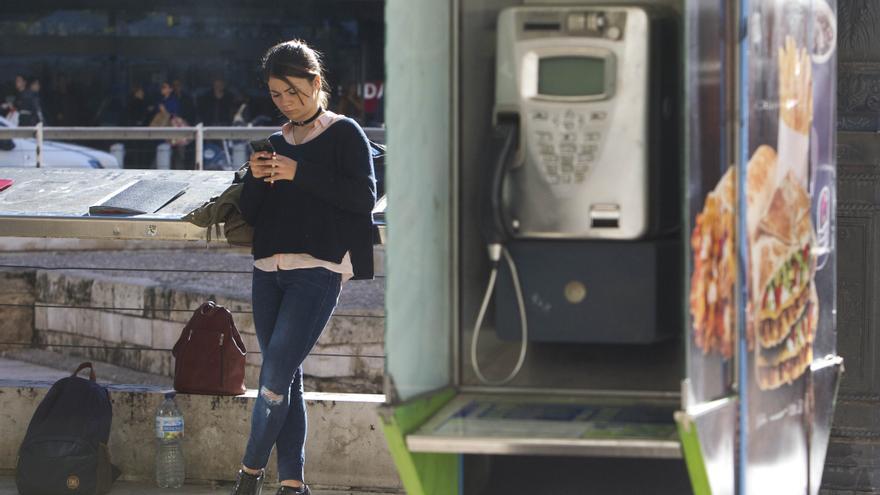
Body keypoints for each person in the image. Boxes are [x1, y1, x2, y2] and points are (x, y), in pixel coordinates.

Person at [233, 39, 376, 495]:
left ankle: (249, 475)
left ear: (316, 83)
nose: (286, 102)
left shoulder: (345, 133)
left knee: (273, 378)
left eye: (293, 91)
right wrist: (256, 178)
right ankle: (292, 483)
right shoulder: (274, 142)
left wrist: (299, 173)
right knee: (286, 373)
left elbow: (362, 198)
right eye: (276, 94)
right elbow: (255, 215)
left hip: (319, 270)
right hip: (267, 270)